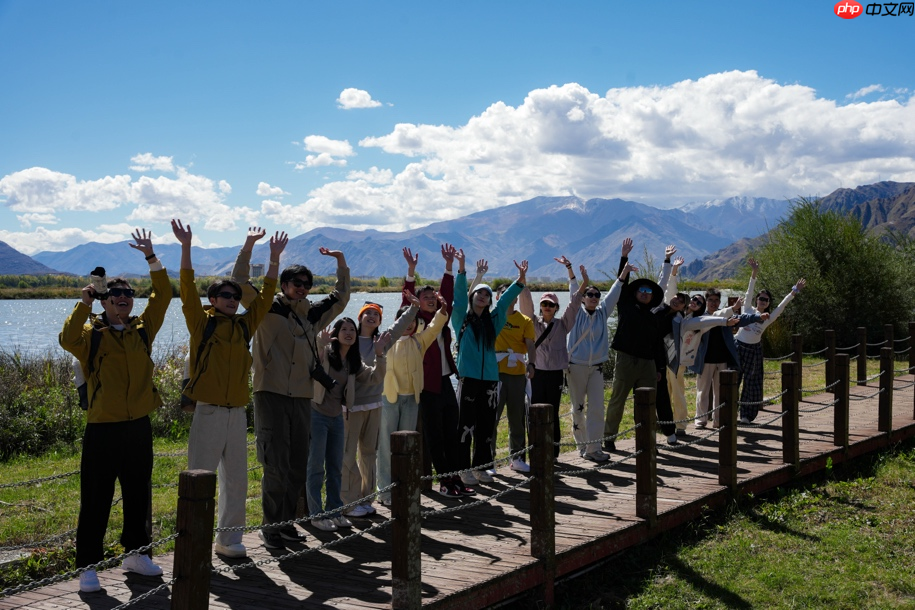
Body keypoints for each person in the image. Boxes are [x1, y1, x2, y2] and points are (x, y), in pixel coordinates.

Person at [59, 230, 171, 593]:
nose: (123, 297)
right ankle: (87, 567)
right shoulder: (91, 335)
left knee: (138, 494)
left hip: (138, 425)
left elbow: (163, 295)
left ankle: (136, 555)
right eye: (116, 294)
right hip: (103, 429)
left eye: (128, 294)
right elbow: (66, 339)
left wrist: (152, 258)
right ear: (104, 300)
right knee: (96, 499)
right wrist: (84, 304)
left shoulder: (142, 330)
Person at [173, 219, 286, 559]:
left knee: (236, 480)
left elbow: (266, 297)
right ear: (212, 299)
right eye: (226, 296)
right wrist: (185, 247)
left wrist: (274, 258)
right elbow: (186, 288)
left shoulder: (244, 326)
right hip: (208, 411)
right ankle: (194, 541)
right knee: (200, 478)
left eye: (236, 297)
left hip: (237, 412)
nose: (233, 300)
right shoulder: (201, 323)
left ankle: (229, 539)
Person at [231, 229, 351, 549]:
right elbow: (239, 281)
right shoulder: (265, 306)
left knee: (297, 466)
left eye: (307, 284)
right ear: (283, 285)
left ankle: (286, 525)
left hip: (301, 397)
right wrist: (251, 246)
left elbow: (341, 298)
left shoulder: (312, 315)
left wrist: (341, 263)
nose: (302, 288)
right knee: (276, 465)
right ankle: (270, 527)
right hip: (270, 393)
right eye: (296, 283)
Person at [402, 245, 473, 494]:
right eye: (426, 297)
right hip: (426, 384)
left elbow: (447, 295)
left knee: (452, 433)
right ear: (418, 302)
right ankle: (444, 482)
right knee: (435, 436)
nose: (432, 300)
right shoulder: (415, 321)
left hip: (445, 382)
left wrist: (449, 266)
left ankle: (455, 478)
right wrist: (411, 272)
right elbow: (406, 302)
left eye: (433, 297)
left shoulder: (441, 317)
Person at [451, 251, 526, 483]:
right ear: (472, 296)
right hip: (468, 378)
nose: (483, 296)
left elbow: (504, 303)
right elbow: (458, 298)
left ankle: (481, 467)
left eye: (487, 295)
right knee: (465, 425)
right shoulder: (461, 319)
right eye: (479, 293)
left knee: (486, 425)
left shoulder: (494, 322)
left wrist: (520, 280)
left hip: (491, 380)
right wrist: (462, 269)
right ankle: (463, 468)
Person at [309, 318, 388, 531]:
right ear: (336, 333)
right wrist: (320, 342)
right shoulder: (326, 353)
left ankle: (335, 512)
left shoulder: (353, 362)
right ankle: (316, 515)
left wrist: (380, 355)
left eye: (352, 329)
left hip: (338, 417)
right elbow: (312, 361)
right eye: (344, 329)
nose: (349, 333)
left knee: (335, 468)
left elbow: (375, 377)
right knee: (315, 467)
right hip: (317, 415)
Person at [344, 293, 417, 517]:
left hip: (374, 404)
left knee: (368, 454)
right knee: (348, 455)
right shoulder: (349, 338)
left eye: (376, 314)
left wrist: (414, 307)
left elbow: (400, 325)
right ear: (360, 317)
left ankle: (366, 498)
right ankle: (348, 501)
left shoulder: (383, 341)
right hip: (351, 407)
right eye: (367, 313)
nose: (372, 316)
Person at [377, 291, 451, 500]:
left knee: (408, 447)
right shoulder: (386, 341)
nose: (409, 324)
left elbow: (434, 327)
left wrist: (443, 310)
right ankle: (385, 492)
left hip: (411, 400)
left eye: (413, 320)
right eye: (405, 319)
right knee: (385, 447)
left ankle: (406, 489)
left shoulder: (419, 341)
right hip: (389, 399)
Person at [603, 240, 670, 453]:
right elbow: (621, 285)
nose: (645, 293)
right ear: (635, 293)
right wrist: (624, 258)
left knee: (648, 403)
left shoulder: (654, 317)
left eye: (648, 291)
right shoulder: (626, 306)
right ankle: (609, 438)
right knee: (618, 400)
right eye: (641, 289)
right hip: (626, 360)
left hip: (648, 364)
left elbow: (657, 344)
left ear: (652, 297)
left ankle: (647, 440)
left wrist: (659, 368)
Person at [518, 256, 587, 461]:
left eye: (551, 304)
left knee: (553, 412)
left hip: (556, 373)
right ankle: (536, 450)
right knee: (535, 412)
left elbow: (574, 304)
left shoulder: (563, 325)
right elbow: (525, 302)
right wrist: (522, 279)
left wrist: (584, 283)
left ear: (556, 307)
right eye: (544, 304)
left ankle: (554, 453)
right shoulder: (532, 322)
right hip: (536, 373)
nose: (547, 307)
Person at [735, 258, 806, 422]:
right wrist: (754, 272)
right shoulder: (747, 309)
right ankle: (728, 413)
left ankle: (746, 415)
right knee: (733, 380)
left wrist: (794, 291)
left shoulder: (768, 318)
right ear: (756, 300)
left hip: (754, 351)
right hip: (738, 346)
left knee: (751, 383)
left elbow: (782, 306)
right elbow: (749, 291)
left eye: (766, 300)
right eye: (760, 298)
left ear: (768, 303)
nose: (762, 301)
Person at [491, 281, 537, 474]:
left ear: (516, 299)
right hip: (495, 373)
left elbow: (530, 344)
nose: (508, 296)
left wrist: (532, 364)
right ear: (497, 297)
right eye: (503, 293)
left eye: (511, 294)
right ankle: (487, 461)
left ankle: (517, 457)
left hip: (517, 374)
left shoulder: (525, 320)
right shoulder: (493, 317)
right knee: (491, 418)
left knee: (517, 418)